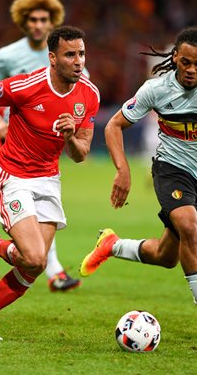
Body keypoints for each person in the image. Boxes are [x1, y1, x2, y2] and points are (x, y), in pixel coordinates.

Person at [0, 25, 100, 340]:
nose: (78, 61)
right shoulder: (28, 85)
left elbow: (81, 154)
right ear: (52, 58)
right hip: (12, 177)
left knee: (34, 268)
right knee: (34, 257)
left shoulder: (89, 94)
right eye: (70, 54)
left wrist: (69, 136)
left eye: (81, 53)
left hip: (49, 180)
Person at [0, 0, 88, 292]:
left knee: (24, 206)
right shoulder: (7, 56)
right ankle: (54, 272)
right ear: (23, 23)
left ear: (53, 22)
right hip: (14, 139)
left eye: (44, 19)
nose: (39, 25)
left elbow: (81, 95)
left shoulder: (70, 53)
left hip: (47, 148)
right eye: (33, 19)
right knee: (22, 207)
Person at [79, 26, 197, 306]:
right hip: (173, 169)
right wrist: (123, 169)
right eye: (186, 62)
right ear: (175, 57)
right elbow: (114, 125)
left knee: (165, 257)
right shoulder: (157, 89)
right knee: (190, 227)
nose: (192, 69)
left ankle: (113, 245)